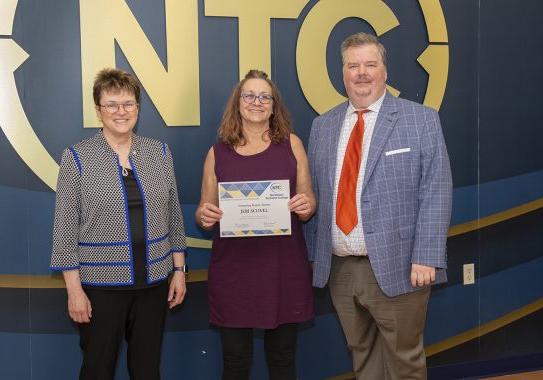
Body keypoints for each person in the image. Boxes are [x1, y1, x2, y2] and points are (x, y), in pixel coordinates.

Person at [304, 32, 452, 379]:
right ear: (343, 75)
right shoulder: (322, 126)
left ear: (384, 71)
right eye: (353, 66)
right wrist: (313, 256)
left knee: (405, 360)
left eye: (370, 64)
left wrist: (427, 255)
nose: (362, 73)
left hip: (400, 265)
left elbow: (437, 189)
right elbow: (317, 195)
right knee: (362, 356)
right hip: (340, 269)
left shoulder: (421, 120)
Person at [50, 68, 187, 380]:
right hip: (100, 288)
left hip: (154, 284)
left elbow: (174, 216)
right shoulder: (77, 157)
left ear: (138, 108)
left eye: (128, 104)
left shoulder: (159, 152)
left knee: (147, 369)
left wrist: (179, 271)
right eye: (111, 104)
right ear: (98, 111)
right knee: (97, 369)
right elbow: (64, 231)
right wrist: (74, 291)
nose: (120, 112)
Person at [196, 69, 316, 380]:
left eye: (265, 97)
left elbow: (309, 202)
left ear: (274, 106)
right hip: (234, 273)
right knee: (235, 362)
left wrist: (306, 206)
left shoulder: (292, 144)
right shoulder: (217, 152)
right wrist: (205, 216)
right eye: (250, 95)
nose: (257, 102)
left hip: (283, 268)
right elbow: (203, 212)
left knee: (282, 359)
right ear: (238, 103)